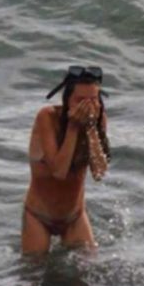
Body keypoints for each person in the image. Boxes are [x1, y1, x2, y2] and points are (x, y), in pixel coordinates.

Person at [21, 66, 111, 255]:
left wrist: (91, 128)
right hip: (38, 216)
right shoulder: (47, 118)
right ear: (67, 99)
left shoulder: (99, 119)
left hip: (74, 217)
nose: (87, 106)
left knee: (87, 273)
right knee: (32, 275)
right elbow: (59, 172)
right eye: (80, 101)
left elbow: (100, 172)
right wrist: (73, 127)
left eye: (93, 100)